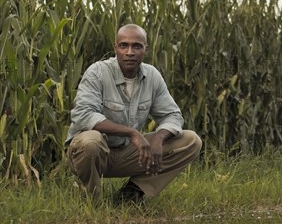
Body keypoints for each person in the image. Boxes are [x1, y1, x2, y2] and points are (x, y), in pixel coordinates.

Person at [66, 24, 202, 204]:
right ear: (115, 48)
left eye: (136, 46)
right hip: (90, 154)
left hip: (125, 153)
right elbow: (83, 115)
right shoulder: (97, 72)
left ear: (146, 49)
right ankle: (92, 203)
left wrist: (159, 139)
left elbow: (173, 115)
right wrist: (132, 133)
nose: (129, 52)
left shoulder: (152, 76)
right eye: (124, 45)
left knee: (190, 141)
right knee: (92, 140)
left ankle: (131, 195)